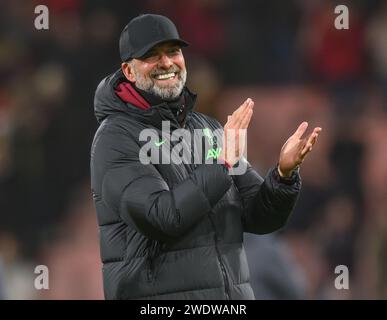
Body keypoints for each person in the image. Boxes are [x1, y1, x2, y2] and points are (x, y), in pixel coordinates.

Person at [90, 14, 321, 300]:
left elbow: (260, 219)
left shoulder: (208, 129)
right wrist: (222, 164)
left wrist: (283, 175)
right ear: (128, 70)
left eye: (173, 52)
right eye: (151, 55)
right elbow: (163, 215)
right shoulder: (115, 138)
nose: (166, 63)